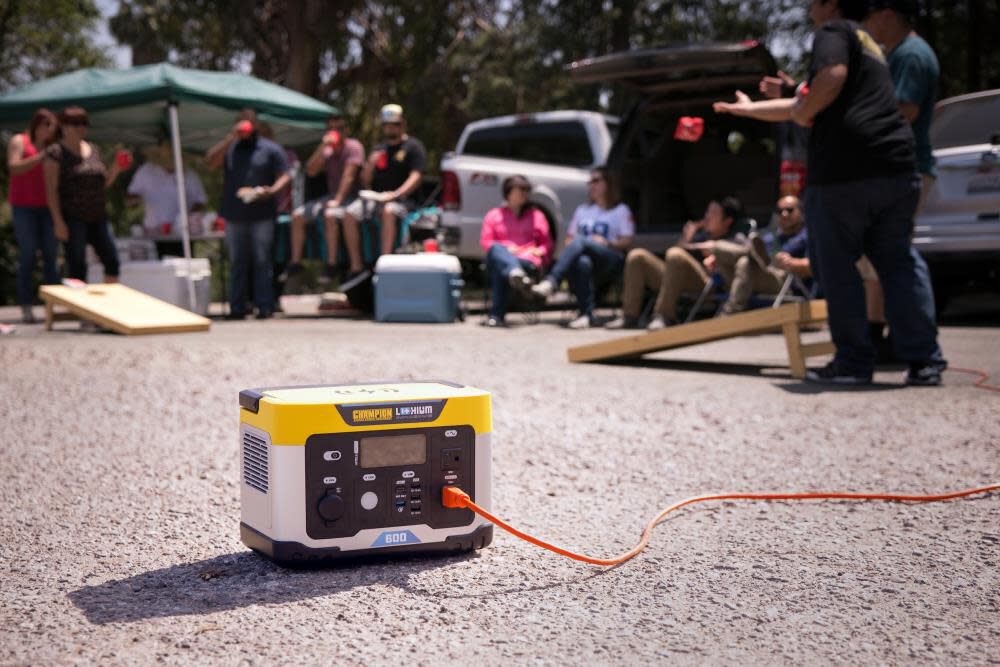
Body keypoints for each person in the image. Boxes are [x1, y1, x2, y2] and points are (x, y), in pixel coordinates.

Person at [713, 0, 945, 386]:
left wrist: (804, 111)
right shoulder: (870, 45)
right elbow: (807, 100)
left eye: (813, 3)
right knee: (897, 263)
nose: (808, 10)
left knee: (836, 266)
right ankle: (925, 362)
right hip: (896, 169)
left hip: (846, 172)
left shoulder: (834, 31)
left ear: (831, 5)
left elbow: (826, 82)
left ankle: (854, 362)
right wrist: (750, 110)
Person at [858, 0, 941, 349]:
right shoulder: (897, 53)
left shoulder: (911, 54)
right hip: (896, 170)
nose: (866, 27)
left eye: (869, 18)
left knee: (894, 257)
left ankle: (913, 340)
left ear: (887, 14)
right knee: (877, 257)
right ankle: (878, 334)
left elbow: (904, 110)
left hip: (905, 170)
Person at [606, 197, 745, 330]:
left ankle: (664, 315)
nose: (707, 216)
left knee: (676, 254)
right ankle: (629, 315)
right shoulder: (701, 236)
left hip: (707, 283)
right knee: (637, 256)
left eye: (713, 213)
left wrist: (713, 251)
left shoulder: (735, 239)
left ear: (727, 221)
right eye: (707, 211)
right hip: (674, 280)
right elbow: (671, 256)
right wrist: (686, 239)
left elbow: (741, 259)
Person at [205, 109, 291, 320]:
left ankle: (265, 306)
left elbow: (286, 175)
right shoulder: (231, 148)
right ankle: (237, 307)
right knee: (237, 262)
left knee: (262, 260)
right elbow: (211, 163)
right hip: (234, 214)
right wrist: (229, 139)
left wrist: (272, 190)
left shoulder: (269, 149)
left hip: (262, 213)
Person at [531, 167, 634, 329]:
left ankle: (552, 281)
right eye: (589, 182)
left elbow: (627, 240)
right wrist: (578, 245)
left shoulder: (620, 210)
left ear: (608, 183)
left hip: (610, 258)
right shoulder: (583, 210)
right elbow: (569, 239)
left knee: (581, 241)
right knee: (582, 261)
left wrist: (607, 243)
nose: (591, 185)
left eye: (596, 181)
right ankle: (586, 315)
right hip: (587, 260)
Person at [340, 104, 426, 291]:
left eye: (395, 124)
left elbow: (416, 177)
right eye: (387, 125)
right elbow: (365, 181)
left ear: (402, 124)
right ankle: (356, 266)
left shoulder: (413, 147)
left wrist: (396, 194)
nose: (391, 128)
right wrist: (370, 164)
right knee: (349, 213)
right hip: (376, 198)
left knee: (388, 211)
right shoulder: (379, 149)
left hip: (403, 200)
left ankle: (383, 263)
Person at [43, 106, 127, 285]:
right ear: (64, 126)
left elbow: (102, 183)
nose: (81, 127)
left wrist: (116, 169)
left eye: (84, 123)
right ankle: (77, 302)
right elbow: (51, 190)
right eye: (75, 123)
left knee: (112, 261)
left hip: (98, 215)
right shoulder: (55, 152)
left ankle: (108, 300)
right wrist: (58, 221)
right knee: (77, 267)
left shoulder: (93, 149)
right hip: (73, 217)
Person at [282, 112, 365, 288]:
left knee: (330, 214)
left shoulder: (354, 147)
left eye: (339, 128)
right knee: (297, 215)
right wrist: (322, 146)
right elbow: (310, 171)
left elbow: (349, 177)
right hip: (332, 196)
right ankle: (296, 262)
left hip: (353, 196)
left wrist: (338, 200)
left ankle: (333, 264)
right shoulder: (327, 150)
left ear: (346, 130)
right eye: (331, 129)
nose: (335, 132)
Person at [479, 175, 554, 327]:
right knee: (497, 250)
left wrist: (540, 251)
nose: (524, 194)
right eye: (520, 190)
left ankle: (496, 316)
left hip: (527, 259)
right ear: (508, 193)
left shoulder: (536, 215)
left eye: (526, 190)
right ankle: (514, 272)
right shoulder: (494, 215)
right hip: (503, 256)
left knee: (501, 268)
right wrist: (507, 249)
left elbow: (547, 244)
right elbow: (486, 242)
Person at [7, 108, 59, 323]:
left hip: (47, 208)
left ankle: (53, 307)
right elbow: (13, 167)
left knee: (51, 257)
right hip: (24, 207)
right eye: (46, 126)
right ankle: (26, 305)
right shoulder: (20, 141)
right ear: (37, 124)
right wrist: (40, 157)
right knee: (28, 255)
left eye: (52, 127)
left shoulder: (52, 148)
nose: (49, 131)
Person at [720, 195, 811, 314]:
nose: (784, 214)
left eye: (789, 210)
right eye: (779, 211)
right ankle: (751, 253)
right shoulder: (769, 238)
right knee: (744, 262)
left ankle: (730, 312)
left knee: (742, 259)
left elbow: (814, 266)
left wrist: (791, 262)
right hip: (765, 274)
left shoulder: (809, 236)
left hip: (787, 283)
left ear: (801, 211)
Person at [126, 135, 207, 258]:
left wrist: (189, 218)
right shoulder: (145, 171)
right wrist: (135, 200)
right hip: (154, 231)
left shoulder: (189, 174)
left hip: (182, 233)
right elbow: (131, 196)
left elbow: (200, 200)